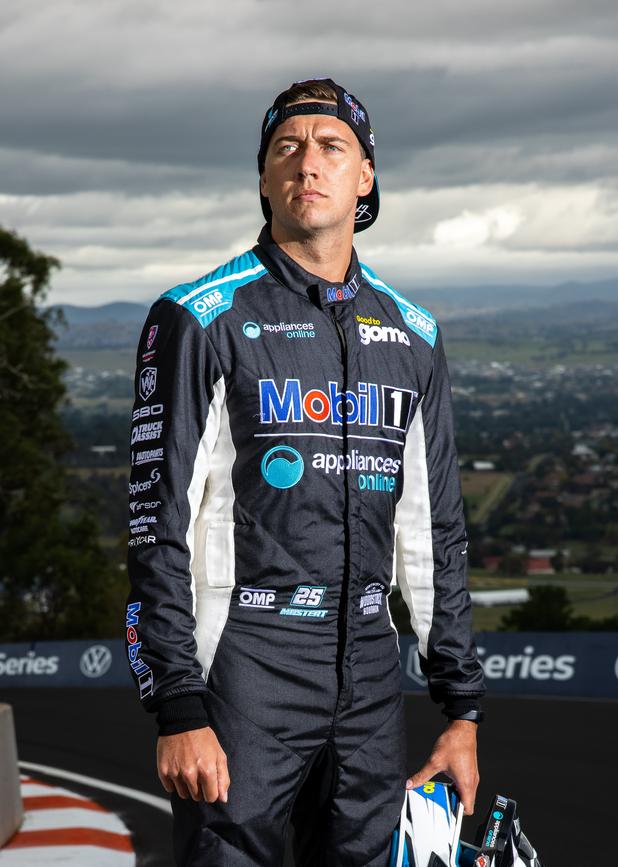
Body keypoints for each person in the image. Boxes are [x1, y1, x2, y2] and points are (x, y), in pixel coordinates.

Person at [124, 76, 486, 867]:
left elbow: (433, 534)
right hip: (248, 661)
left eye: (331, 147)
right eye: (286, 149)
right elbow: (157, 526)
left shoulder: (414, 333)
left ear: (366, 178)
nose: (306, 163)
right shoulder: (197, 316)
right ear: (263, 179)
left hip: (367, 661)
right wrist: (178, 705)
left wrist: (461, 708)